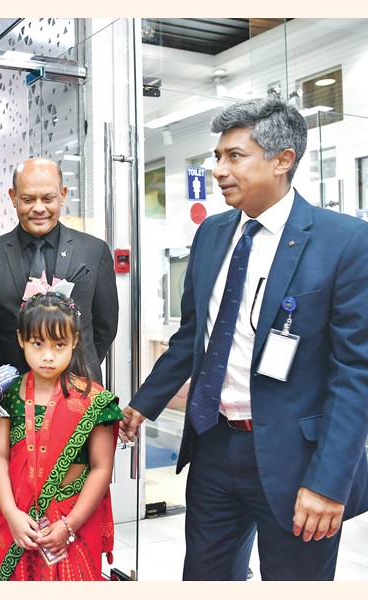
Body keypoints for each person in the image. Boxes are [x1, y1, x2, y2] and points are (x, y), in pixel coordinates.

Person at [121, 97, 368, 580]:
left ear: (283, 160)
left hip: (296, 460)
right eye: (217, 157)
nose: (218, 169)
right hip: (214, 448)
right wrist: (143, 404)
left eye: (234, 156)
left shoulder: (344, 241)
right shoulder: (212, 234)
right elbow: (194, 335)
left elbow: (355, 375)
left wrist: (329, 482)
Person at [0, 157, 119, 580]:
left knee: (74, 520)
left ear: (64, 197)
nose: (39, 207)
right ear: (13, 198)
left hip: (74, 413)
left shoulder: (93, 251)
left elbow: (104, 326)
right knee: (2, 523)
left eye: (49, 198)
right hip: (9, 411)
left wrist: (70, 380)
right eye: (29, 198)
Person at [0, 278, 119, 580]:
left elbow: (101, 468)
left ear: (74, 341)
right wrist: (11, 514)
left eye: (59, 345)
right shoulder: (7, 394)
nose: (48, 356)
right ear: (21, 339)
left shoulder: (94, 400)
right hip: (19, 521)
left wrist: (69, 524)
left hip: (74, 522)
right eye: (37, 344)